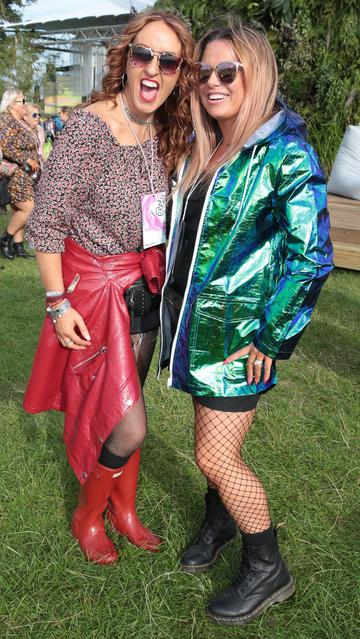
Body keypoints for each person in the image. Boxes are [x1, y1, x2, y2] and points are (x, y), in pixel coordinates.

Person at [160, 19, 333, 626]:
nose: (211, 82)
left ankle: (268, 568)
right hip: (200, 331)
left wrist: (271, 336)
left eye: (226, 71)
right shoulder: (211, 146)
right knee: (211, 442)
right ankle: (218, 522)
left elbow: (311, 256)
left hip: (241, 341)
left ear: (256, 74)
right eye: (203, 71)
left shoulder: (285, 152)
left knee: (215, 456)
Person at [23, 10, 194, 565]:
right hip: (96, 294)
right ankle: (87, 514)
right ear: (124, 59)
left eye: (168, 61)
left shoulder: (164, 130)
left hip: (143, 291)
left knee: (128, 404)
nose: (154, 69)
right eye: (144, 55)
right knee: (129, 422)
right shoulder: (89, 128)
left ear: (178, 73)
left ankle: (124, 509)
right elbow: (46, 221)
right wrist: (57, 303)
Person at [0, 90, 39, 259]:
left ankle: (18, 246)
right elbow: (7, 146)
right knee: (28, 208)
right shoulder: (6, 119)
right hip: (16, 171)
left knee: (19, 210)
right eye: (21, 101)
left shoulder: (19, 120)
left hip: (26, 172)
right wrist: (26, 159)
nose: (25, 103)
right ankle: (4, 239)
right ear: (11, 104)